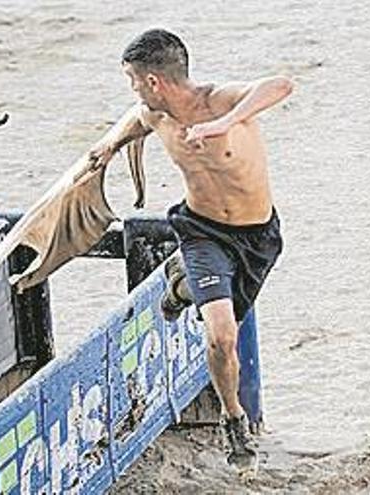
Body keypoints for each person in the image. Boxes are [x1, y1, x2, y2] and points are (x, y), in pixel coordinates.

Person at [87, 28, 293, 472]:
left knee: (226, 330)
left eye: (134, 80)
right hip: (200, 231)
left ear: (154, 80)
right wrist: (107, 146)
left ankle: (182, 288)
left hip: (257, 237)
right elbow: (135, 120)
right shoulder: (155, 114)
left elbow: (281, 84)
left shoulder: (220, 100)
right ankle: (233, 418)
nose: (134, 89)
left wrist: (223, 124)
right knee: (221, 336)